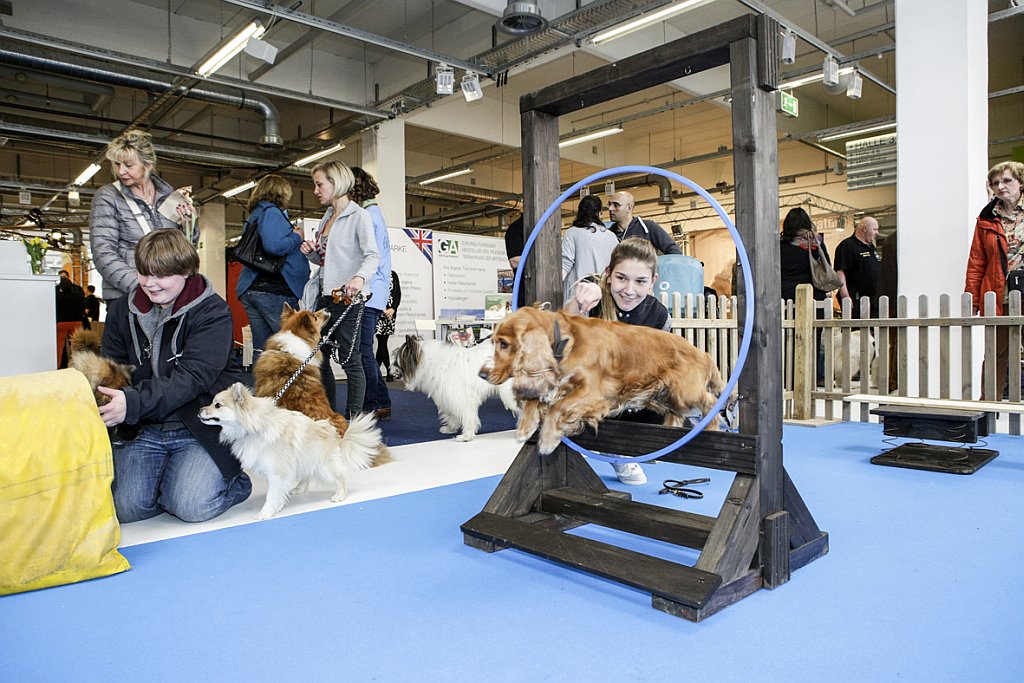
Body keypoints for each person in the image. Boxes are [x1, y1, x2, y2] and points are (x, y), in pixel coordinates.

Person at [97, 229, 252, 523]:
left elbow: (193, 378)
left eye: (161, 275)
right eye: (144, 273)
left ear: (187, 272)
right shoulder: (121, 310)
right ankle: (171, 482)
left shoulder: (213, 312)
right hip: (143, 426)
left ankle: (236, 483)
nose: (150, 284)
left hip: (200, 424)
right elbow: (111, 369)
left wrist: (132, 403)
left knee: (192, 507)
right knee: (126, 508)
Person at [564, 238, 673, 486]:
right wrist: (579, 302)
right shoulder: (594, 298)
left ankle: (617, 447)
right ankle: (594, 437)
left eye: (640, 281)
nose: (629, 290)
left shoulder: (658, 314)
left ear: (653, 281)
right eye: (622, 278)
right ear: (609, 275)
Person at [301, 160, 379, 419]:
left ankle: (355, 418)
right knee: (320, 356)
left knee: (350, 359)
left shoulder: (360, 216)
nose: (316, 190)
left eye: (319, 184)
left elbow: (372, 256)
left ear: (336, 183)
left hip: (348, 298)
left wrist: (358, 279)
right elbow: (324, 262)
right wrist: (311, 253)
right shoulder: (326, 218)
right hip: (325, 295)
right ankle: (328, 414)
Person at [89, 129, 196, 302]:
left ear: (148, 165)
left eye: (129, 165)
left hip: (167, 297)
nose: (121, 171)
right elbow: (104, 253)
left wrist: (189, 227)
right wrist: (142, 287)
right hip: (127, 296)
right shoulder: (108, 196)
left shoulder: (170, 197)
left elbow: (183, 253)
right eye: (117, 164)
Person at [965, 161, 1024, 399]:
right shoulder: (987, 218)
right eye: (995, 183)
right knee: (996, 351)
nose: (1001, 187)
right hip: (1001, 293)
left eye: (1007, 181)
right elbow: (977, 260)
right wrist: (972, 298)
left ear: (1021, 182)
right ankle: (989, 403)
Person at [235, 174, 309, 354]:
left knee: (264, 351)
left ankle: (265, 383)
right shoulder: (272, 212)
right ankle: (293, 383)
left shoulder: (256, 214)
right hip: (274, 290)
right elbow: (273, 246)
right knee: (293, 348)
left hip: (253, 288)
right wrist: (296, 236)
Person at [349, 166, 393, 420]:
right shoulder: (373, 212)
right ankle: (380, 401)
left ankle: (375, 402)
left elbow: (370, 258)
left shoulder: (368, 215)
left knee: (363, 350)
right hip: (373, 292)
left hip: (369, 293)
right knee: (364, 349)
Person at [779, 207, 833, 383]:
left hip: (787, 297)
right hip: (814, 296)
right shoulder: (816, 243)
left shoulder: (780, 246)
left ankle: (789, 376)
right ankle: (811, 375)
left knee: (788, 338)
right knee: (813, 338)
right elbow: (827, 265)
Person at [561, 195, 619, 303]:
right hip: (605, 297)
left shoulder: (572, 233)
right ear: (599, 213)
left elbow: (564, 266)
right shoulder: (611, 237)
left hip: (578, 298)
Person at [607, 191, 681, 255]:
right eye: (609, 204)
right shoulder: (609, 235)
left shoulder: (648, 227)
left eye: (616, 205)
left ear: (629, 208)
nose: (610, 208)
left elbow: (674, 251)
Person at [834, 216, 881, 317]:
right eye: (874, 229)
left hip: (873, 299)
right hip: (856, 299)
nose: (877, 233)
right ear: (864, 229)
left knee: (874, 330)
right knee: (856, 332)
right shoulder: (846, 246)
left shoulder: (870, 246)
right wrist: (845, 296)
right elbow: (839, 272)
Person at [55, 269, 87, 368]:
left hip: (60, 322)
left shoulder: (55, 290)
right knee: (78, 346)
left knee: (59, 348)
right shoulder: (78, 289)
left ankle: (58, 367)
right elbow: (83, 303)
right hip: (76, 321)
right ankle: (80, 366)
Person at [376, 270, 402, 381]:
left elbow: (397, 294)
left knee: (383, 343)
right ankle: (388, 372)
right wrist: (382, 308)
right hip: (378, 313)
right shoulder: (375, 274)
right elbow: (374, 293)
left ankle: (378, 372)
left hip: (390, 315)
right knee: (382, 343)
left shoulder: (393, 274)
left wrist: (393, 309)